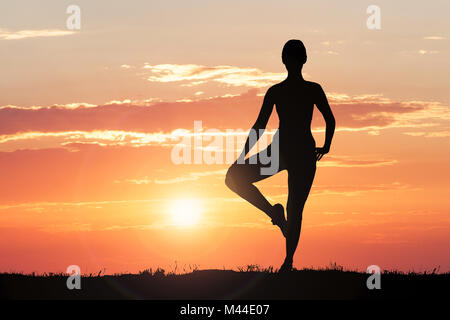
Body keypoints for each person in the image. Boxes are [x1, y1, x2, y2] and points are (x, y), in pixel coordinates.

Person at [225, 39, 336, 272]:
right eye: (292, 58)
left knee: (295, 208)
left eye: (293, 58)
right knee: (234, 177)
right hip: (282, 152)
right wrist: (242, 157)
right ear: (289, 61)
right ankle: (274, 214)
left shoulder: (306, 90)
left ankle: (288, 262)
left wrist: (326, 145)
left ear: (290, 61)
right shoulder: (280, 91)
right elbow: (260, 126)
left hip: (300, 154)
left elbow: (329, 118)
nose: (293, 62)